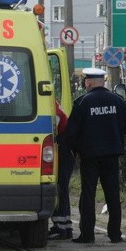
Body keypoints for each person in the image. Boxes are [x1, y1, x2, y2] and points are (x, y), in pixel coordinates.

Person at [65, 68, 126, 244]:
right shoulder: (117, 101)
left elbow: (70, 132)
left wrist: (75, 150)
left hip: (89, 156)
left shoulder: (82, 102)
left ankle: (87, 234)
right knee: (113, 194)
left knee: (88, 194)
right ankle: (115, 234)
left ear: (88, 82)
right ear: (102, 81)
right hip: (112, 155)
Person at [48, 101, 75, 240]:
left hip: (62, 151)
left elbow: (53, 126)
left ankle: (61, 228)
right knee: (61, 189)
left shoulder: (50, 105)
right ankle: (64, 226)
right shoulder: (53, 103)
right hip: (64, 150)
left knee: (60, 189)